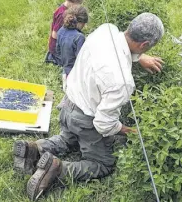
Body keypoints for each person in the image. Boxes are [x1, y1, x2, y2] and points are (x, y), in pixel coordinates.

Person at [13, 12, 165, 201]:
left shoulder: (106, 30)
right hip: (85, 120)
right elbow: (103, 124)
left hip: (68, 104)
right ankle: (58, 169)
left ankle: (34, 149)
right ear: (144, 45)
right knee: (103, 164)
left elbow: (120, 47)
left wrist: (138, 57)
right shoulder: (123, 82)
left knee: (69, 139)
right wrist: (128, 130)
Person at [44, 0, 87, 65]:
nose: (80, 5)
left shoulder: (65, 8)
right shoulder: (62, 14)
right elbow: (55, 35)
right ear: (74, 0)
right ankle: (55, 58)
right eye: (80, 3)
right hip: (57, 48)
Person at [55, 5, 88, 91]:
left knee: (67, 91)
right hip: (75, 73)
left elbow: (58, 50)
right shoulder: (79, 37)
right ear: (80, 23)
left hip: (65, 70)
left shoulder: (60, 31)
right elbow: (81, 59)